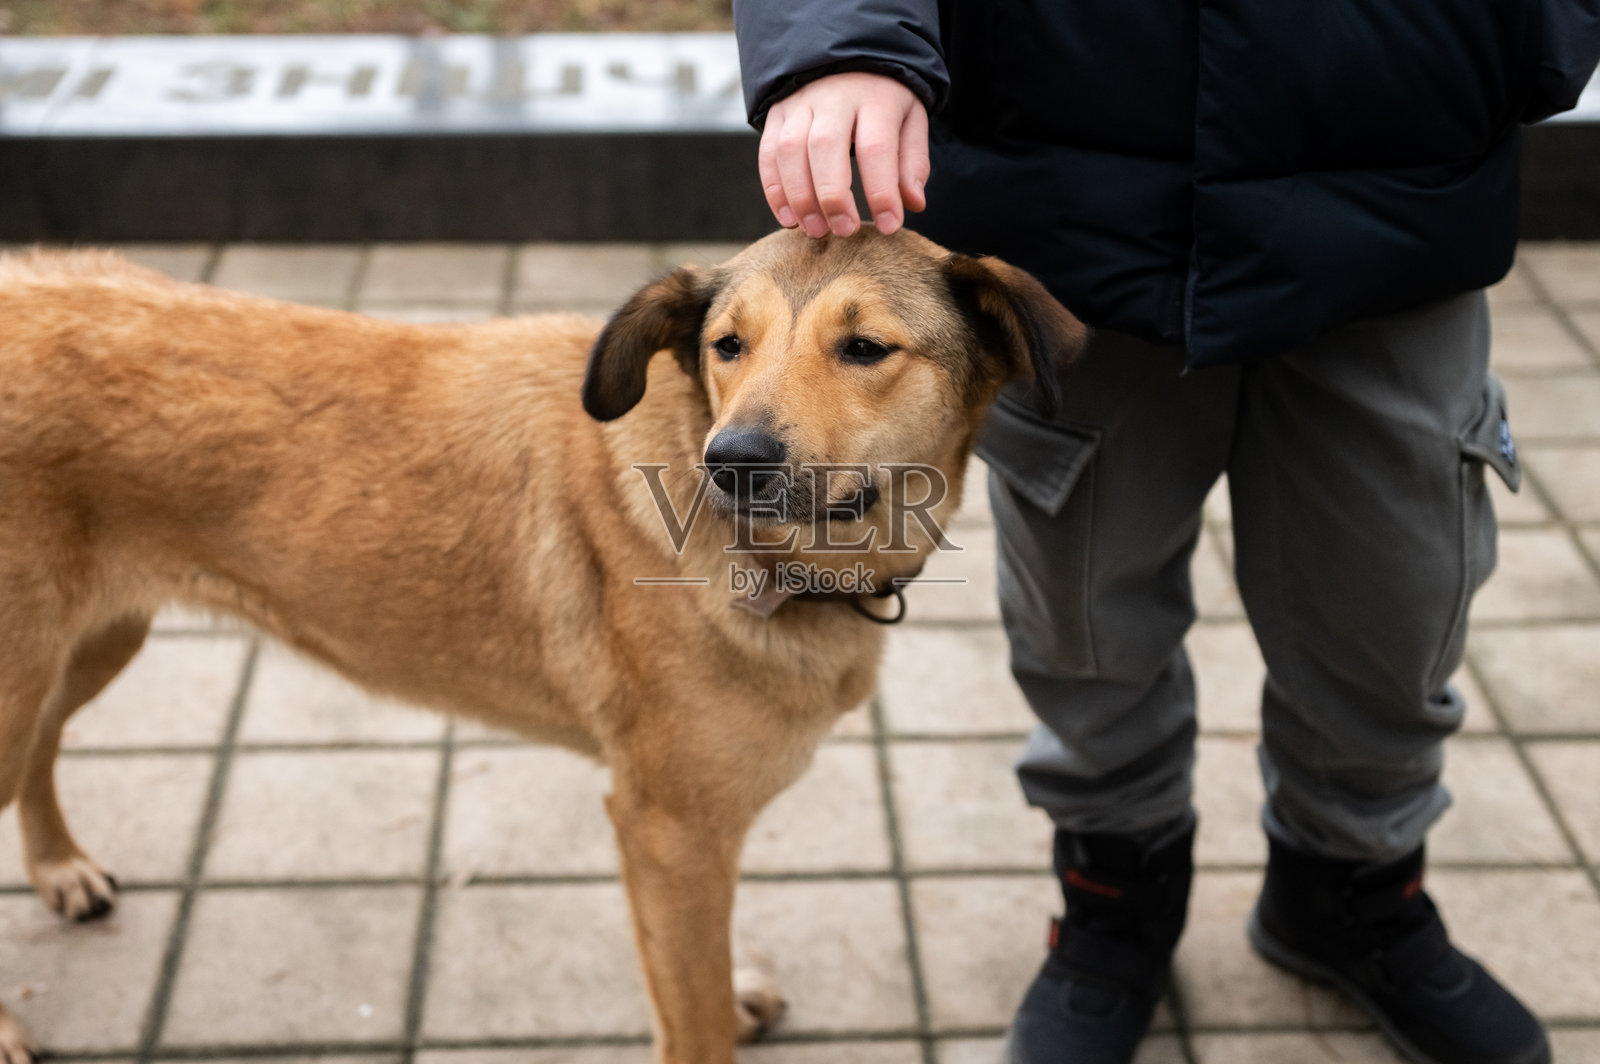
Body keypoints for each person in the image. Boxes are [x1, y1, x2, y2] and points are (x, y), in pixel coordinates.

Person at [731, 4, 1600, 1064]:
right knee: (1088, 629)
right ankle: (1111, 900)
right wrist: (838, 36)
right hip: (1073, 223)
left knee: (1395, 609)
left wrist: (1528, 34)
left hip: (1398, 198)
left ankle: (1351, 888)